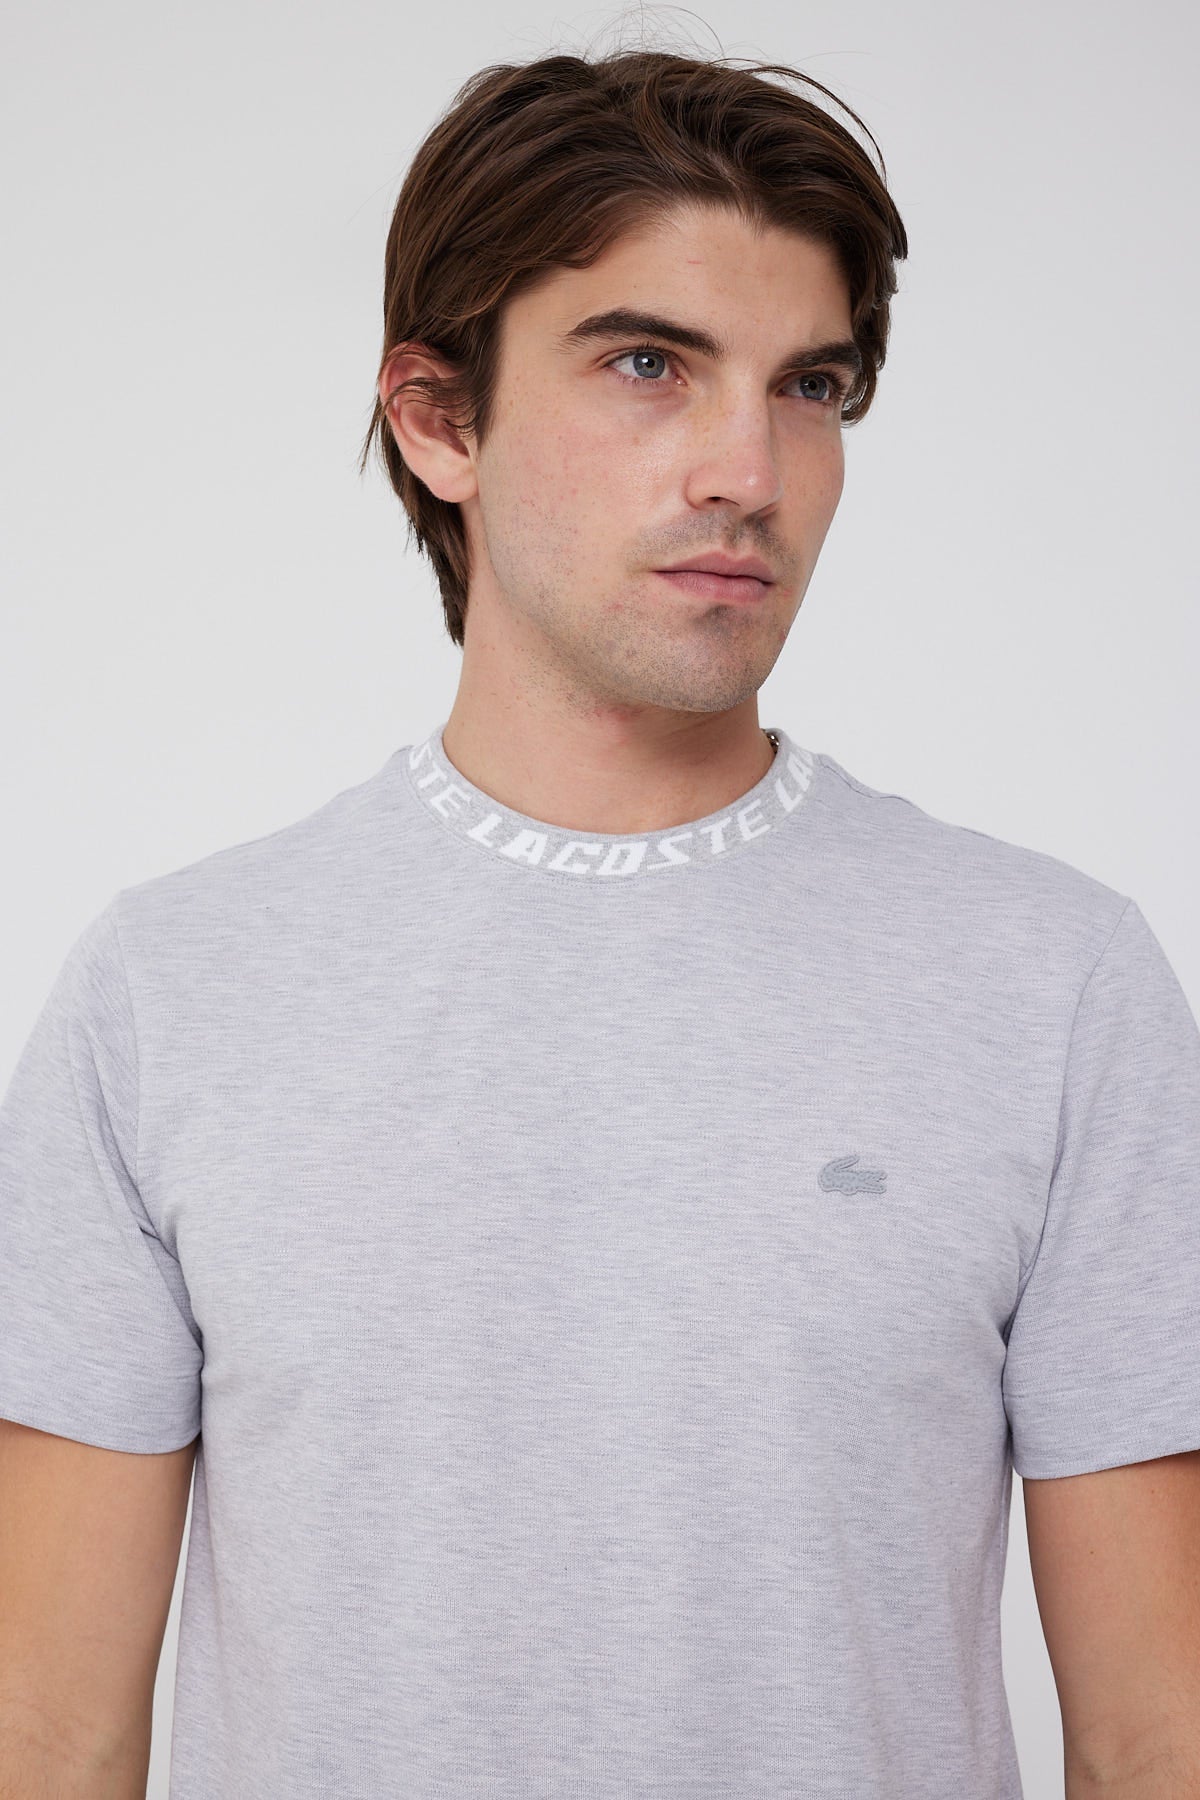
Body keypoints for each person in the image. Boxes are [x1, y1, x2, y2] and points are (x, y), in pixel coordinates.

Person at [2, 43, 1198, 1800]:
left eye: (810, 386)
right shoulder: (169, 994)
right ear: (440, 419)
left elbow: (1162, 1735)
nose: (748, 468)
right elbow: (48, 1735)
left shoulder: (1055, 984)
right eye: (650, 364)